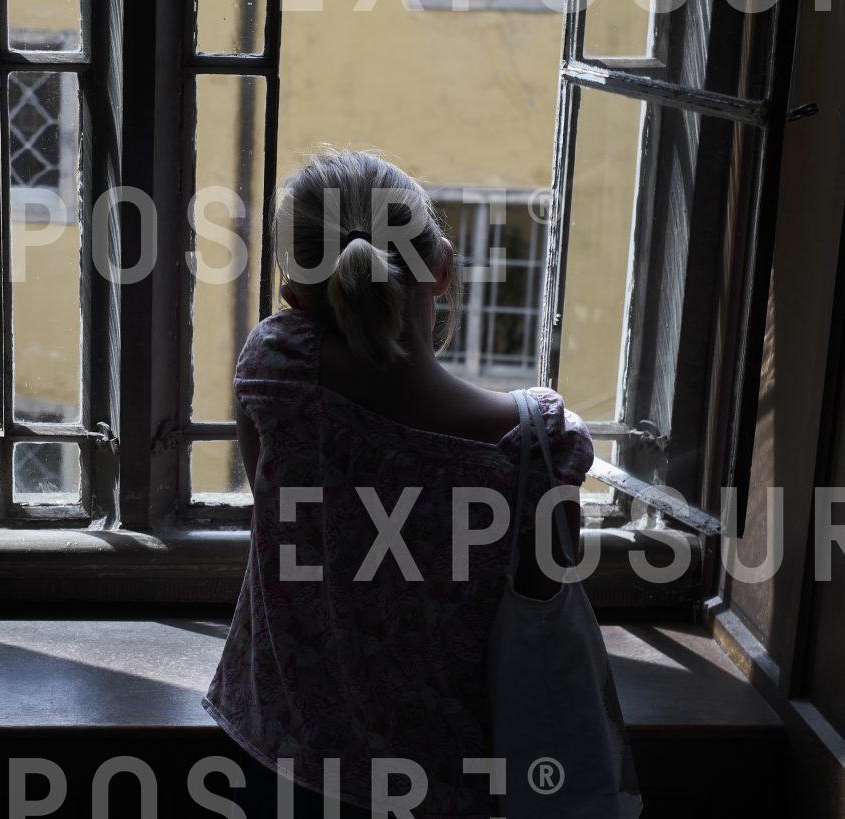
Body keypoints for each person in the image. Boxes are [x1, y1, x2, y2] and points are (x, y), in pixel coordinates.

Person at [203, 149, 594, 818]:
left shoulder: (275, 376)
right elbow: (542, 598)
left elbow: (275, 518)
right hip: (443, 787)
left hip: (279, 763)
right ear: (441, 267)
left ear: (293, 295)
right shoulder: (538, 449)